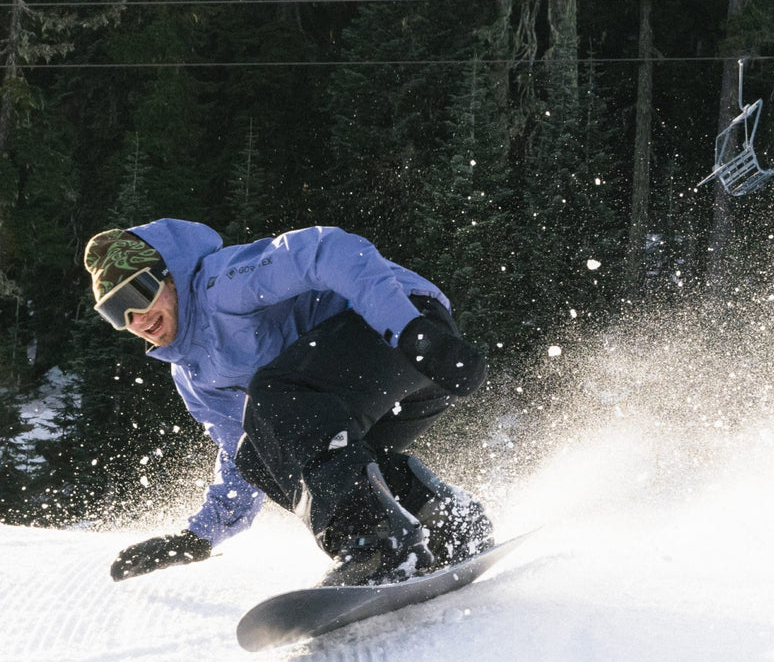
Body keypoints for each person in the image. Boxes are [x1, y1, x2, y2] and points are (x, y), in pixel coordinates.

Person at [84, 219, 492, 586]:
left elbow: (326, 249)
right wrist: (198, 539)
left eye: (140, 292)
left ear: (169, 278)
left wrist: (408, 329)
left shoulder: (220, 285)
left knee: (275, 393)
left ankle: (377, 540)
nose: (137, 317)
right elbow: (248, 453)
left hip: (406, 331)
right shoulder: (193, 378)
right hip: (369, 386)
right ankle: (443, 520)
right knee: (260, 454)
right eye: (117, 311)